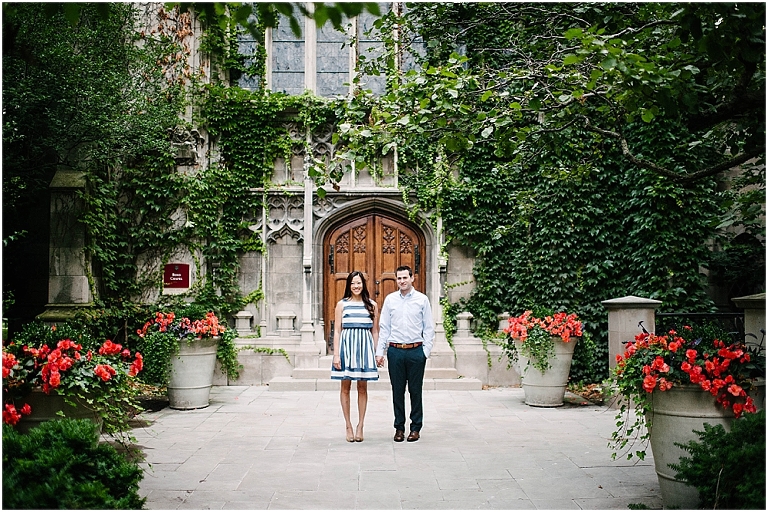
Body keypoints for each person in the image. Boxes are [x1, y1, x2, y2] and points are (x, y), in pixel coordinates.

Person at [375, 265, 435, 442]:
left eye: (405, 278)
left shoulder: (422, 300)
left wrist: (425, 352)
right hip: (395, 351)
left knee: (415, 391)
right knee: (397, 391)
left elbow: (429, 328)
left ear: (412, 278)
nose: (402, 281)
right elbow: (384, 327)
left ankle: (415, 427)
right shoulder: (390, 300)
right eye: (399, 278)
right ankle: (399, 428)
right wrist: (380, 352)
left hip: (416, 351)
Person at [331, 271, 379, 442]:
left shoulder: (372, 305)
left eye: (359, 283)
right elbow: (337, 331)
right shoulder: (342, 305)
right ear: (349, 285)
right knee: (345, 387)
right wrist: (336, 354)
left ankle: (361, 425)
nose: (356, 286)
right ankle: (348, 425)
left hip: (364, 349)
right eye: (353, 283)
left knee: (362, 388)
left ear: (363, 284)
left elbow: (375, 331)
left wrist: (374, 353)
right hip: (346, 348)